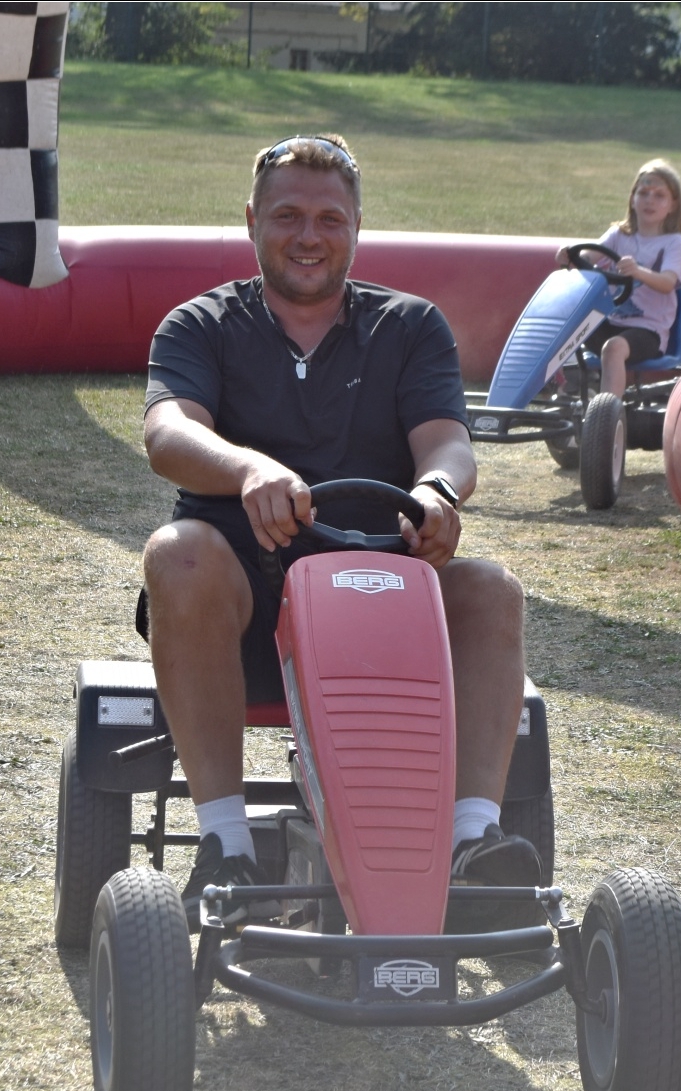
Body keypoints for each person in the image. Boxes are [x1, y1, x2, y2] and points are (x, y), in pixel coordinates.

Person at [141, 134, 540, 929]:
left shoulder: (409, 326)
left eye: (330, 218)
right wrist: (249, 471)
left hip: (383, 600)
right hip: (243, 615)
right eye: (288, 215)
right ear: (252, 220)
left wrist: (435, 491)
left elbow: (447, 441)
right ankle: (227, 847)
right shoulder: (200, 325)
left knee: (491, 590)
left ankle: (472, 846)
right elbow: (168, 432)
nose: (309, 236)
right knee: (178, 555)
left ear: (357, 226)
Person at [555, 159, 681, 402]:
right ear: (632, 199)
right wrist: (570, 256)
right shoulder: (619, 235)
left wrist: (638, 272)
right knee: (565, 325)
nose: (650, 200)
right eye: (643, 193)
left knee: (614, 347)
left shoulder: (673, 242)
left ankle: (607, 414)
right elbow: (588, 257)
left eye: (659, 195)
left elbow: (668, 282)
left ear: (673, 205)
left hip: (648, 330)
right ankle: (575, 386)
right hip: (610, 321)